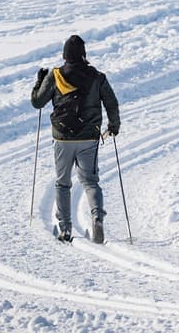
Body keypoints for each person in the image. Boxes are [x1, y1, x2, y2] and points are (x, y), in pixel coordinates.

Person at [31, 34, 121, 243]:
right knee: (90, 181)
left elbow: (37, 102)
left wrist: (39, 82)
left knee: (63, 183)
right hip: (89, 138)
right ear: (83, 54)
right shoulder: (98, 77)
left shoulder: (55, 76)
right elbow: (112, 103)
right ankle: (97, 216)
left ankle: (65, 229)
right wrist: (113, 127)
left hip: (63, 138)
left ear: (65, 55)